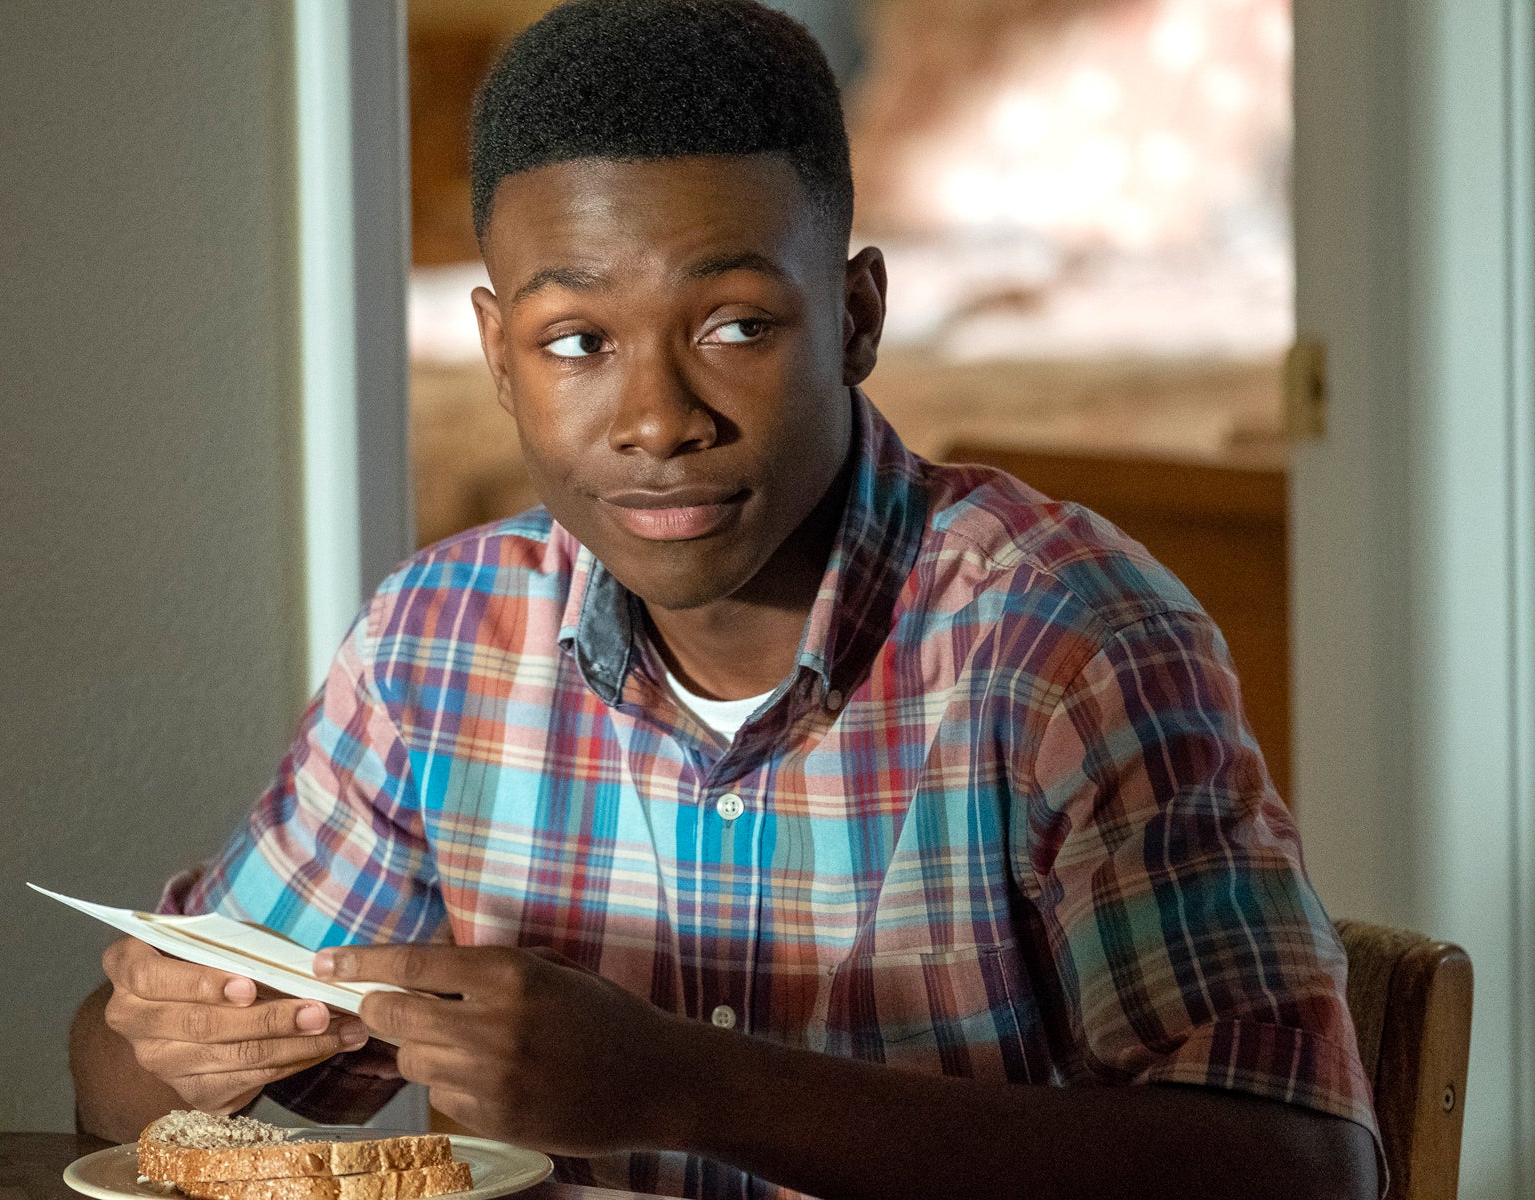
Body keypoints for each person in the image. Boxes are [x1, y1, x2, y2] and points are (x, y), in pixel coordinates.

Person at [69, 3, 1380, 1197]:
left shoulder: (1069, 645)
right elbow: (110, 1097)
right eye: (577, 343)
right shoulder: (437, 643)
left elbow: (1303, 1170)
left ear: (857, 316)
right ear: (496, 354)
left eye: (736, 327)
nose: (656, 421)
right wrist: (177, 1034)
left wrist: (684, 1087)